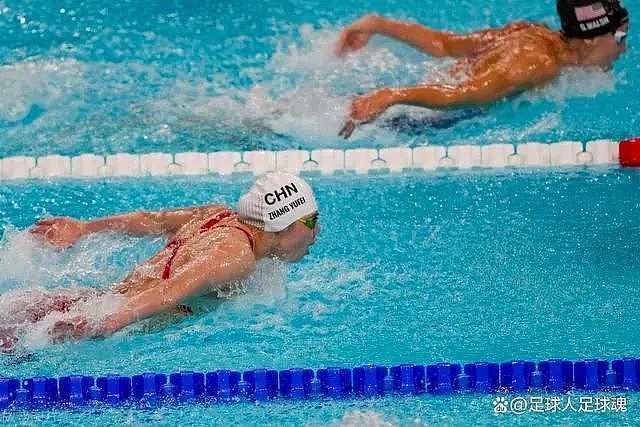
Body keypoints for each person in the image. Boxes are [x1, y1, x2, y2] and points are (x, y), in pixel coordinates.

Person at [0, 172, 320, 351]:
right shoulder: (236, 257)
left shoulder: (217, 215)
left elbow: (151, 220)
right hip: (97, 319)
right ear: (286, 225)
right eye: (312, 220)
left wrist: (86, 228)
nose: (317, 232)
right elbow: (171, 291)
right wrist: (110, 320)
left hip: (88, 301)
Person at [335, 0, 629, 138]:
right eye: (620, 37)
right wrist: (392, 95)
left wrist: (379, 25)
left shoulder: (533, 33)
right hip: (421, 117)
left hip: (416, 100)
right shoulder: (540, 63)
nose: (623, 49)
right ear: (591, 38)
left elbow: (445, 44)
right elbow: (466, 93)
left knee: (317, 110)